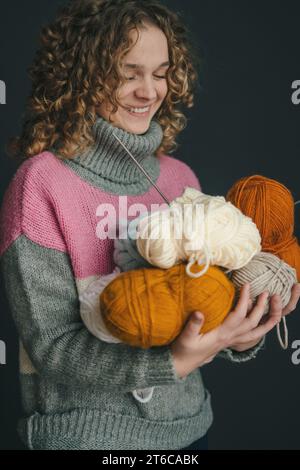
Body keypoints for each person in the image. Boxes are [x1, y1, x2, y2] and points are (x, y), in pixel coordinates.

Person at [0, 0, 299, 451]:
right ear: (82, 75)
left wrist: (240, 328)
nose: (149, 91)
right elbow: (54, 349)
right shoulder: (42, 184)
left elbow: (195, 309)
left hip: (188, 430)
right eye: (128, 73)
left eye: (160, 73)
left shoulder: (181, 180)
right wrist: (174, 362)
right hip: (86, 441)